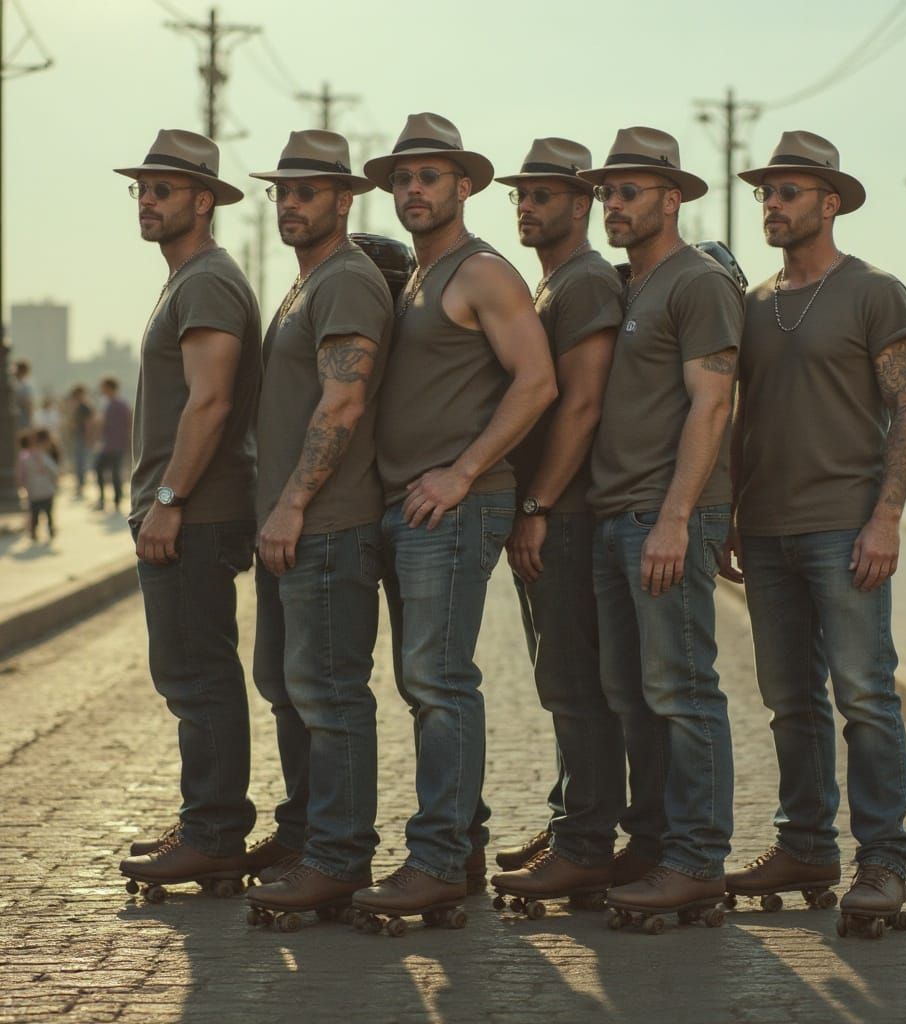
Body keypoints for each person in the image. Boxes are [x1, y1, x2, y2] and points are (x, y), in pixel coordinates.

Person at [352, 113, 556, 919]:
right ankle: (460, 851)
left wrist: (464, 472)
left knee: (441, 681)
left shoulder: (482, 272)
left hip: (458, 505)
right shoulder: (412, 278)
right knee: (421, 681)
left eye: (428, 177)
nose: (412, 190)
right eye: (402, 178)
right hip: (409, 506)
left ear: (463, 186)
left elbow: (537, 383)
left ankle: (436, 859)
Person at [724, 131, 906, 930]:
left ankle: (883, 863)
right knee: (789, 704)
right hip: (767, 532)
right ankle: (805, 844)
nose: (772, 205)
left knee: (867, 697)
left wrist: (886, 518)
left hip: (846, 529)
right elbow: (741, 415)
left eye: (788, 192)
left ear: (829, 202)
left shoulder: (877, 292)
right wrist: (735, 510)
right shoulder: (751, 302)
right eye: (765, 193)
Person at [582, 127, 743, 916]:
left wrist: (677, 520)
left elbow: (713, 404)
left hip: (663, 515)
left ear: (670, 198)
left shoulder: (697, 281)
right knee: (631, 693)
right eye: (607, 192)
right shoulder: (631, 285)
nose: (612, 203)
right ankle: (650, 846)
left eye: (629, 191)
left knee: (683, 690)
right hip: (618, 514)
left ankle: (698, 859)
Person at [244, 130, 394, 916]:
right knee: (289, 686)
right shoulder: (307, 283)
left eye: (307, 192)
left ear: (344, 199)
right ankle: (307, 835)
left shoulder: (345, 281)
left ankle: (339, 856)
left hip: (328, 526)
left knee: (330, 693)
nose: (291, 204)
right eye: (283, 192)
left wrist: (296, 501)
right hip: (292, 528)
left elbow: (343, 403)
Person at [115, 130, 265, 892]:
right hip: (189, 509)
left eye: (163, 190)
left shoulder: (206, 281)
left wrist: (167, 501)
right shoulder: (190, 280)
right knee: (191, 669)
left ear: (202, 201)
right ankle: (210, 822)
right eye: (141, 188)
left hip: (196, 513)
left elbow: (210, 401)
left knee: (196, 671)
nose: (147, 200)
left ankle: (214, 833)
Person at [487, 138, 626, 900]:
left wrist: (538, 505)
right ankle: (575, 817)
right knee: (560, 678)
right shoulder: (553, 284)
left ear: (584, 205)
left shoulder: (586, 282)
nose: (528, 207)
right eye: (521, 196)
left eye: (544, 195)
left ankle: (586, 842)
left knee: (575, 682)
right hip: (550, 511)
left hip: (569, 514)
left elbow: (582, 402)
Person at [94, 377, 131, 512]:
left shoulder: (109, 404)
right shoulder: (123, 403)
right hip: (118, 443)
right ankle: (116, 501)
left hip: (110, 444)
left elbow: (101, 424)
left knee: (100, 469)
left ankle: (104, 500)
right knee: (115, 472)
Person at [16, 429, 59, 542]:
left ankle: (34, 532)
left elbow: (21, 475)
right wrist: (54, 482)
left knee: (35, 514)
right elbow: (53, 470)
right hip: (47, 490)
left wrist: (23, 486)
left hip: (33, 491)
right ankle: (50, 529)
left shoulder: (23, 457)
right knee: (49, 513)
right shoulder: (42, 455)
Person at [68, 385, 94, 498]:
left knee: (81, 463)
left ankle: (81, 485)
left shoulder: (85, 407)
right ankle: (80, 485)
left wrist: (89, 438)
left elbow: (88, 424)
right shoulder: (78, 407)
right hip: (78, 437)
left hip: (82, 438)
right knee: (78, 462)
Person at [13, 360, 34, 431]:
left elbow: (28, 403)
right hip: (21, 417)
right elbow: (28, 403)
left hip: (21, 417)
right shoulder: (24, 385)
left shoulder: (24, 385)